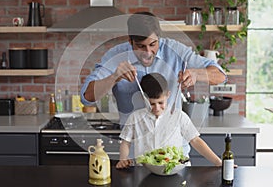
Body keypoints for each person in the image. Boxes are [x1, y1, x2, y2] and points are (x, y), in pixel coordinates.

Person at [81, 11, 226, 157]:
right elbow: (86, 97)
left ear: (159, 38)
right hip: (135, 155)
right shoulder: (115, 56)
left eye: (152, 44)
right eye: (140, 46)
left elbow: (220, 75)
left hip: (174, 153)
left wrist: (197, 73)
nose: (148, 52)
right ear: (130, 41)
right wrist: (114, 77)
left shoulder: (175, 51)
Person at [116, 73, 222, 168]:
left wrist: (218, 162)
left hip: (175, 169)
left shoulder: (179, 116)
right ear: (143, 98)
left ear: (168, 95)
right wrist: (123, 158)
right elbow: (126, 142)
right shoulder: (135, 117)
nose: (157, 108)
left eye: (161, 103)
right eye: (152, 104)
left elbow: (195, 140)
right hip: (144, 171)